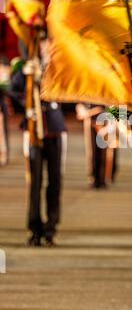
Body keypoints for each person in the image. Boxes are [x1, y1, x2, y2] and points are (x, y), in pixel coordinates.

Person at [9, 32, 67, 246]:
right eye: (42, 43)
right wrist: (27, 82)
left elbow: (67, 92)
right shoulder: (25, 68)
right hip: (33, 131)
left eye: (48, 43)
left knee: (55, 182)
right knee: (34, 182)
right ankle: (34, 229)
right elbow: (13, 92)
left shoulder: (59, 67)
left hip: (54, 129)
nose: (45, 47)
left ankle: (51, 228)